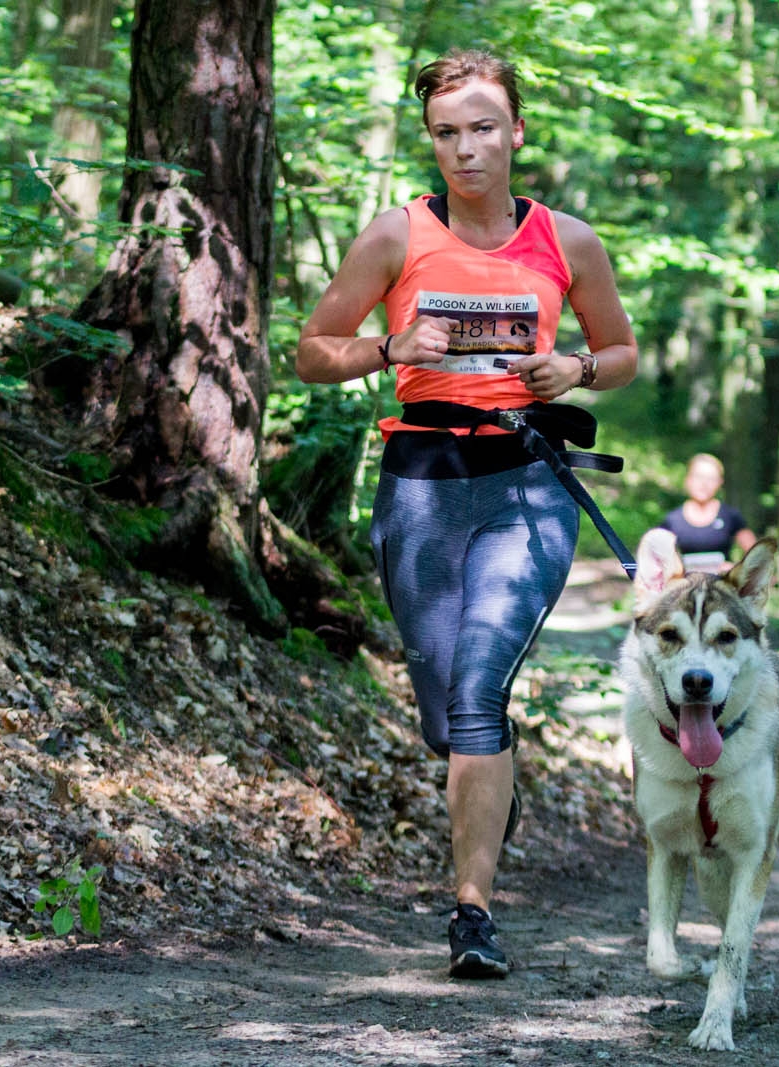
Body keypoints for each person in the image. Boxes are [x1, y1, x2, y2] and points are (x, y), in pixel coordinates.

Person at [295, 49, 637, 980]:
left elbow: (622, 351)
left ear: (516, 131)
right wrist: (387, 346)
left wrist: (577, 371)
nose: (466, 148)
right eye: (447, 133)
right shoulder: (395, 235)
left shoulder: (568, 241)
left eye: (483, 128)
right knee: (449, 712)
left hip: (527, 481)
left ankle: (472, 911)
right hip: (421, 479)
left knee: (482, 689)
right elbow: (312, 352)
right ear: (431, 142)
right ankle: (484, 781)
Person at [657, 453, 757, 573]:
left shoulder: (730, 516)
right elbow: (653, 559)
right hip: (685, 587)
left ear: (720, 483)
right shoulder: (672, 520)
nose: (704, 484)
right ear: (688, 479)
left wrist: (735, 569)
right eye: (699, 476)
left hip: (722, 586)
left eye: (711, 478)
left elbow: (756, 555)